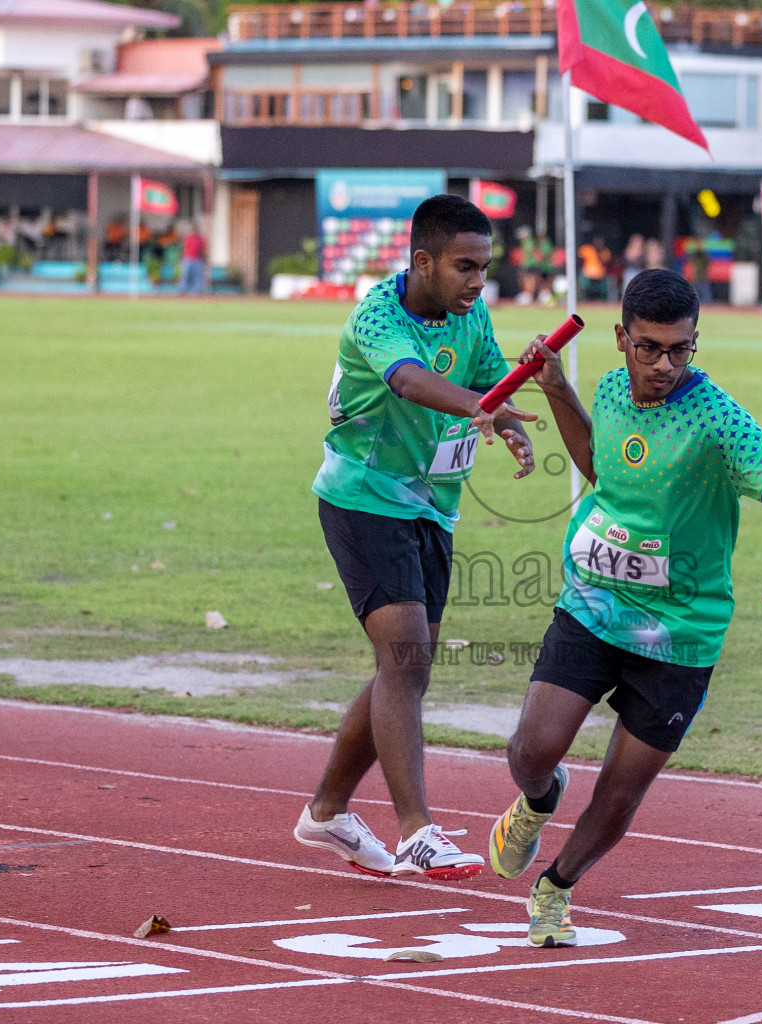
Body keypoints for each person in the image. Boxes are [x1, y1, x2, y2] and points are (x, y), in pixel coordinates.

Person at [486, 269, 762, 946]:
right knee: (532, 749)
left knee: (619, 792)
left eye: (682, 349)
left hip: (679, 634)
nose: (665, 364)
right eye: (650, 348)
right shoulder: (610, 389)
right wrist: (556, 390)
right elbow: (601, 467)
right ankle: (540, 799)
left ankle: (556, 887)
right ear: (621, 339)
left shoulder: (718, 418)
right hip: (594, 602)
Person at [295, 194, 538, 880]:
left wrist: (509, 420)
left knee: (407, 666)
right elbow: (407, 380)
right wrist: (482, 408)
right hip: (362, 495)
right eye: (465, 267)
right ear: (422, 261)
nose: (477, 282)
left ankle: (327, 813)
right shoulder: (378, 316)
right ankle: (415, 833)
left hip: (431, 506)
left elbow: (489, 375)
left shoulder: (472, 313)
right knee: (405, 661)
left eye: (484, 268)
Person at [180, 223, 207, 294]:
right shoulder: (187, 238)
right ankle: (183, 291)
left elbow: (203, 250)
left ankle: (198, 291)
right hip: (188, 259)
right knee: (185, 276)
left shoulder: (200, 240)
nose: (194, 231)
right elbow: (183, 249)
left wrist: (204, 259)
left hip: (198, 260)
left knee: (198, 277)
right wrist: (182, 259)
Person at [579, 236, 608, 301]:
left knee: (598, 291)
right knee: (587, 290)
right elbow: (580, 260)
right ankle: (586, 300)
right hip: (588, 274)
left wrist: (598, 253)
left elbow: (605, 261)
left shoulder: (604, 251)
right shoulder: (587, 249)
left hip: (599, 274)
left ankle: (598, 301)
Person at [687, 238, 712, 305]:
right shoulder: (694, 255)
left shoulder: (704, 255)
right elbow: (689, 261)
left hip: (703, 277)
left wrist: (702, 251)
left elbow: (708, 262)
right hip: (696, 277)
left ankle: (708, 308)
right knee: (695, 294)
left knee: (705, 294)